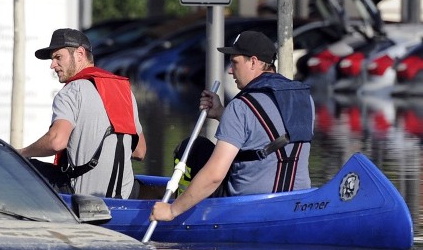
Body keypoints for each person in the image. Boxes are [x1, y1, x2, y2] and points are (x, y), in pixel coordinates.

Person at [150, 30, 313, 223]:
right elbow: (264, 132)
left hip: (248, 207)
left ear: (253, 62)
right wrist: (221, 113)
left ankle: (183, 212)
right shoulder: (305, 99)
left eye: (235, 62)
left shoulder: (241, 106)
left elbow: (215, 175)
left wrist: (171, 211)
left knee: (193, 149)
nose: (229, 70)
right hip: (298, 203)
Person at [18, 28, 147, 199]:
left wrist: (23, 153)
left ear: (79, 53)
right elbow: (139, 151)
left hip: (82, 198)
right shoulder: (124, 91)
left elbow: (56, 142)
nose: (52, 65)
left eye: (58, 57)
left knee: (18, 165)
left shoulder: (71, 91)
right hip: (125, 197)